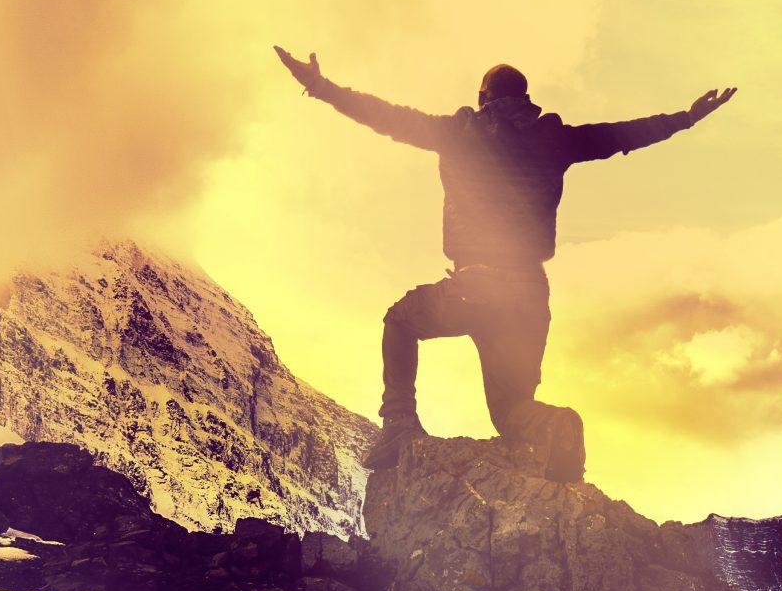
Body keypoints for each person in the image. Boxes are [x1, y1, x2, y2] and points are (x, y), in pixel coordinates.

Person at [274, 46, 736, 474]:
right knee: (512, 412)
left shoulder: (456, 133)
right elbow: (621, 135)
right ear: (527, 99)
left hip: (476, 287)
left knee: (400, 321)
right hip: (531, 296)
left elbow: (382, 115)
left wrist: (321, 86)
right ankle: (556, 425)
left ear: (482, 97)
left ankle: (398, 426)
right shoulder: (556, 140)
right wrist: (687, 118)